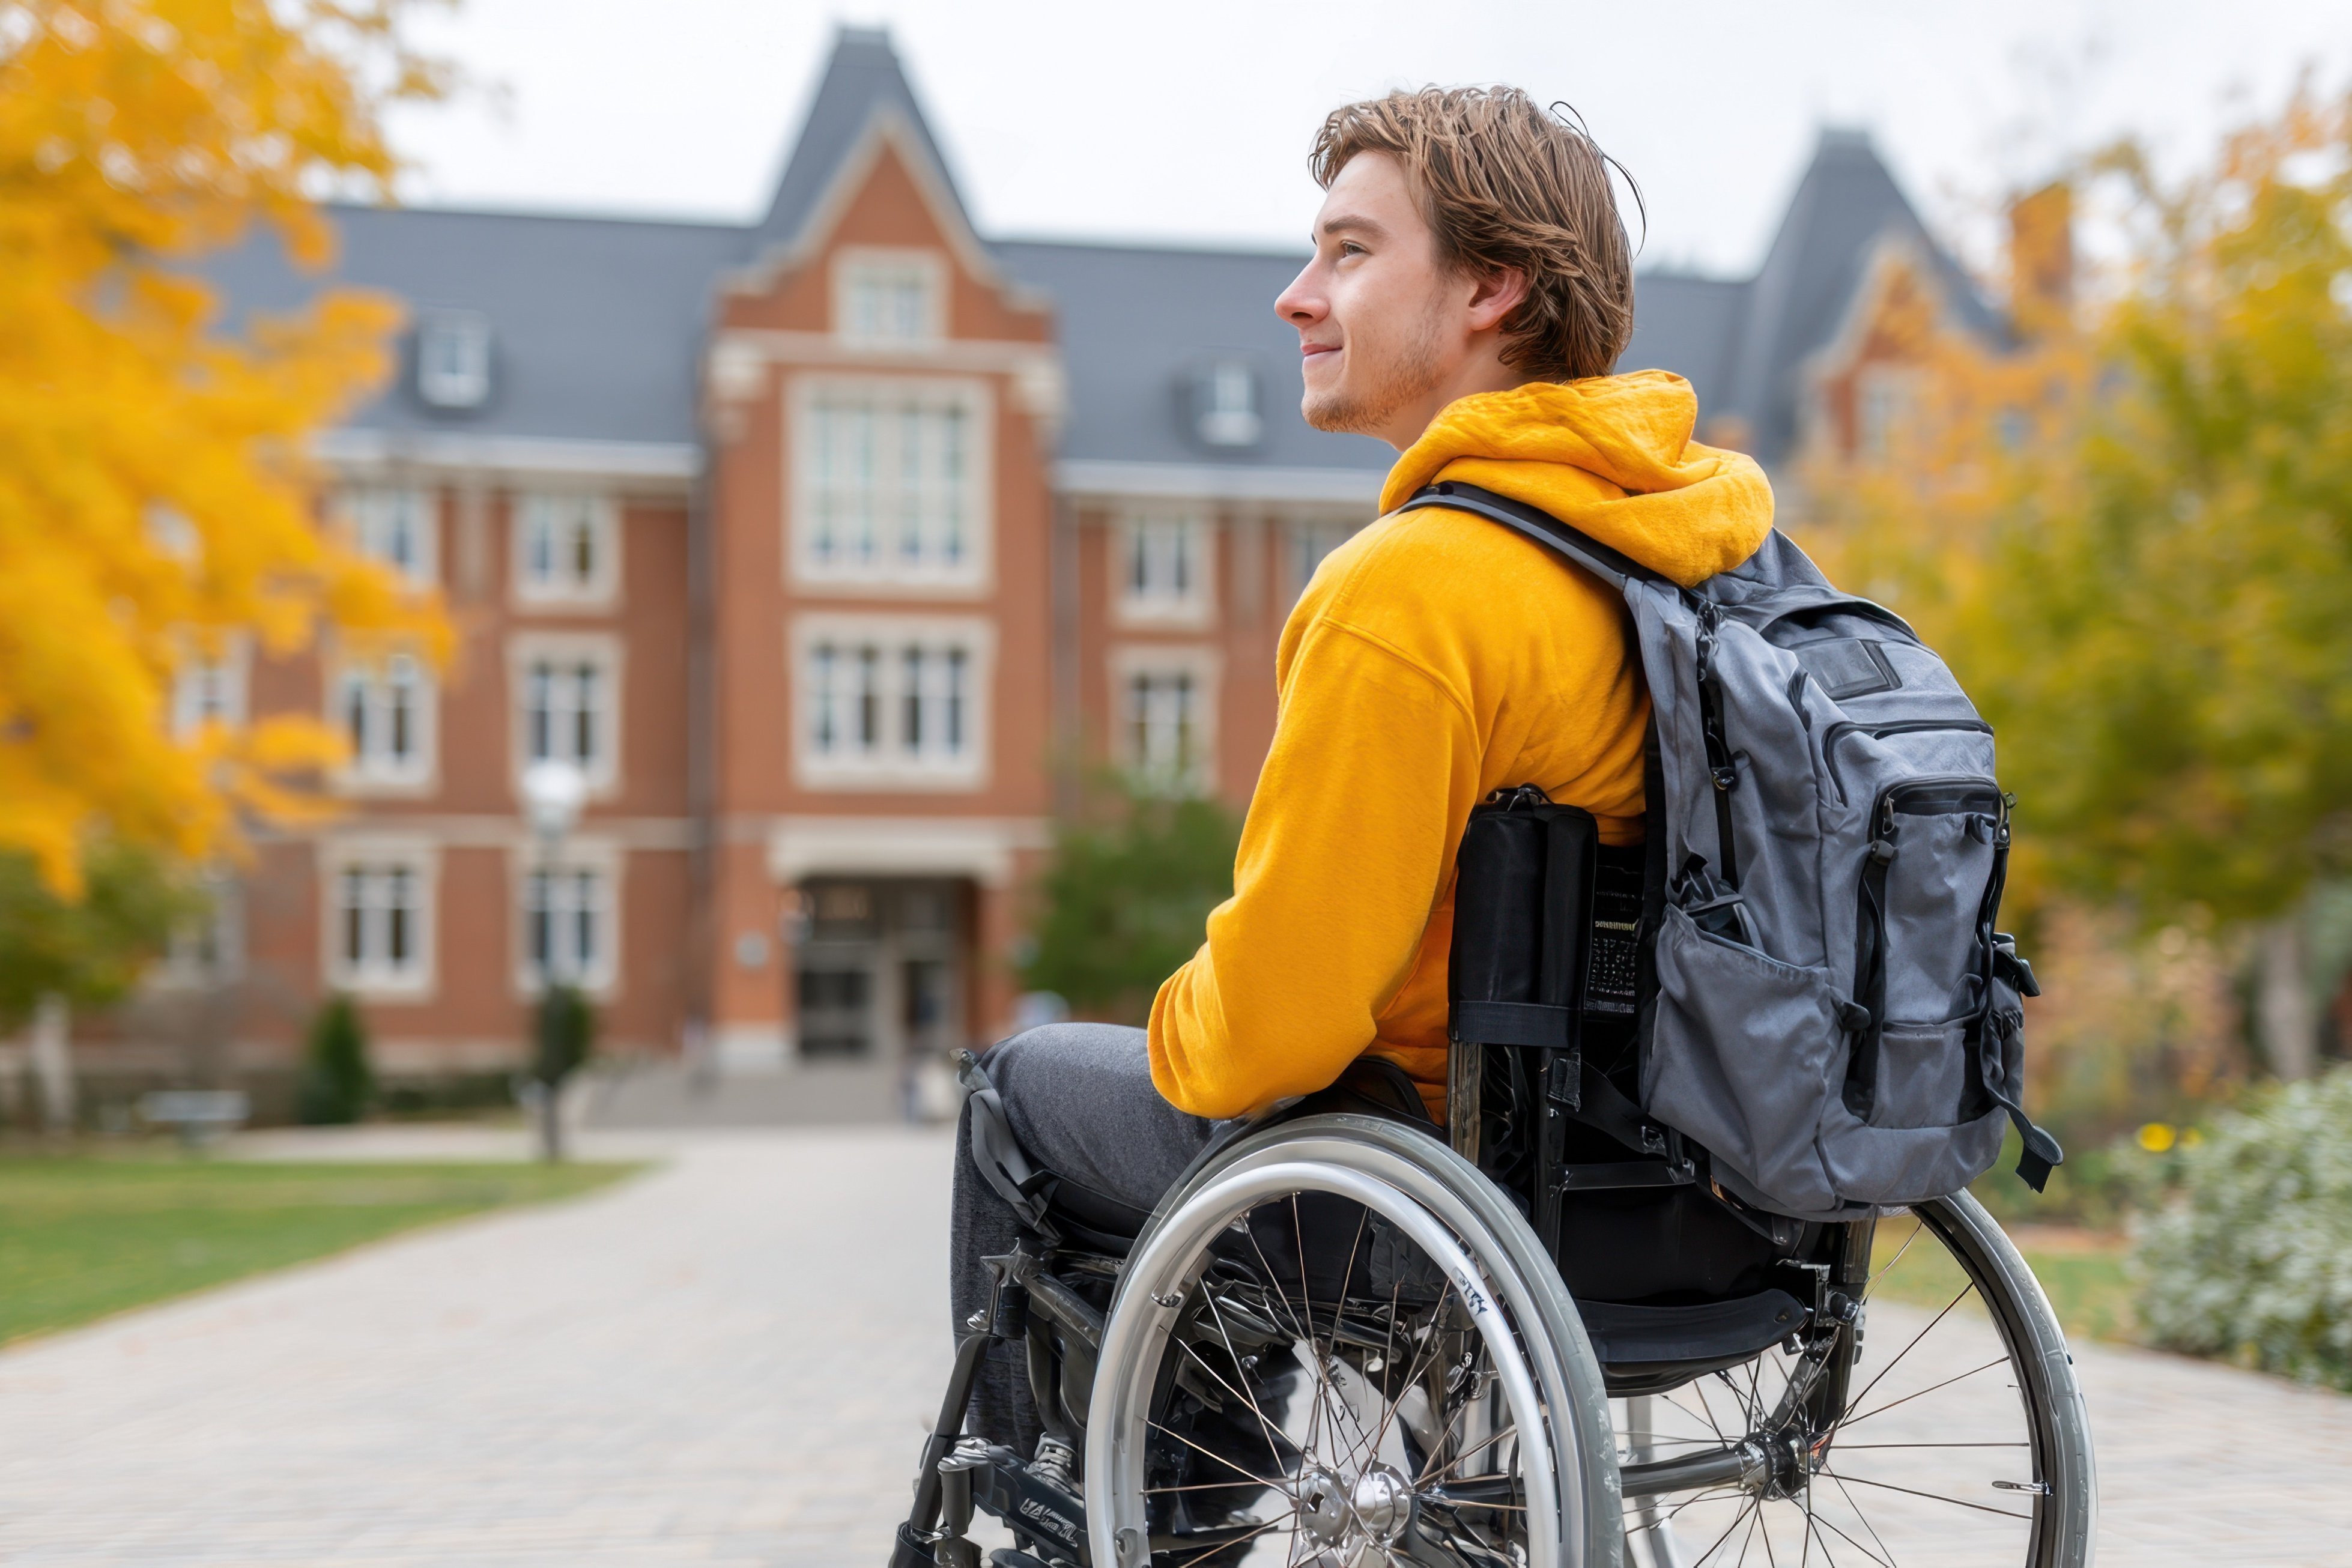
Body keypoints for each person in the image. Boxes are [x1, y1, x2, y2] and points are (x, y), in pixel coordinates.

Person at [951, 84, 1774, 1447]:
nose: (1294, 296)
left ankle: (1123, 1520)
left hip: (1425, 1191)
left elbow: (1266, 1032)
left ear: (1490, 289)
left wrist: (1177, 1015)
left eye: (1347, 251)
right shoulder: (1696, 570)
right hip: (1684, 1196)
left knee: (1018, 1088)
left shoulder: (1411, 590)